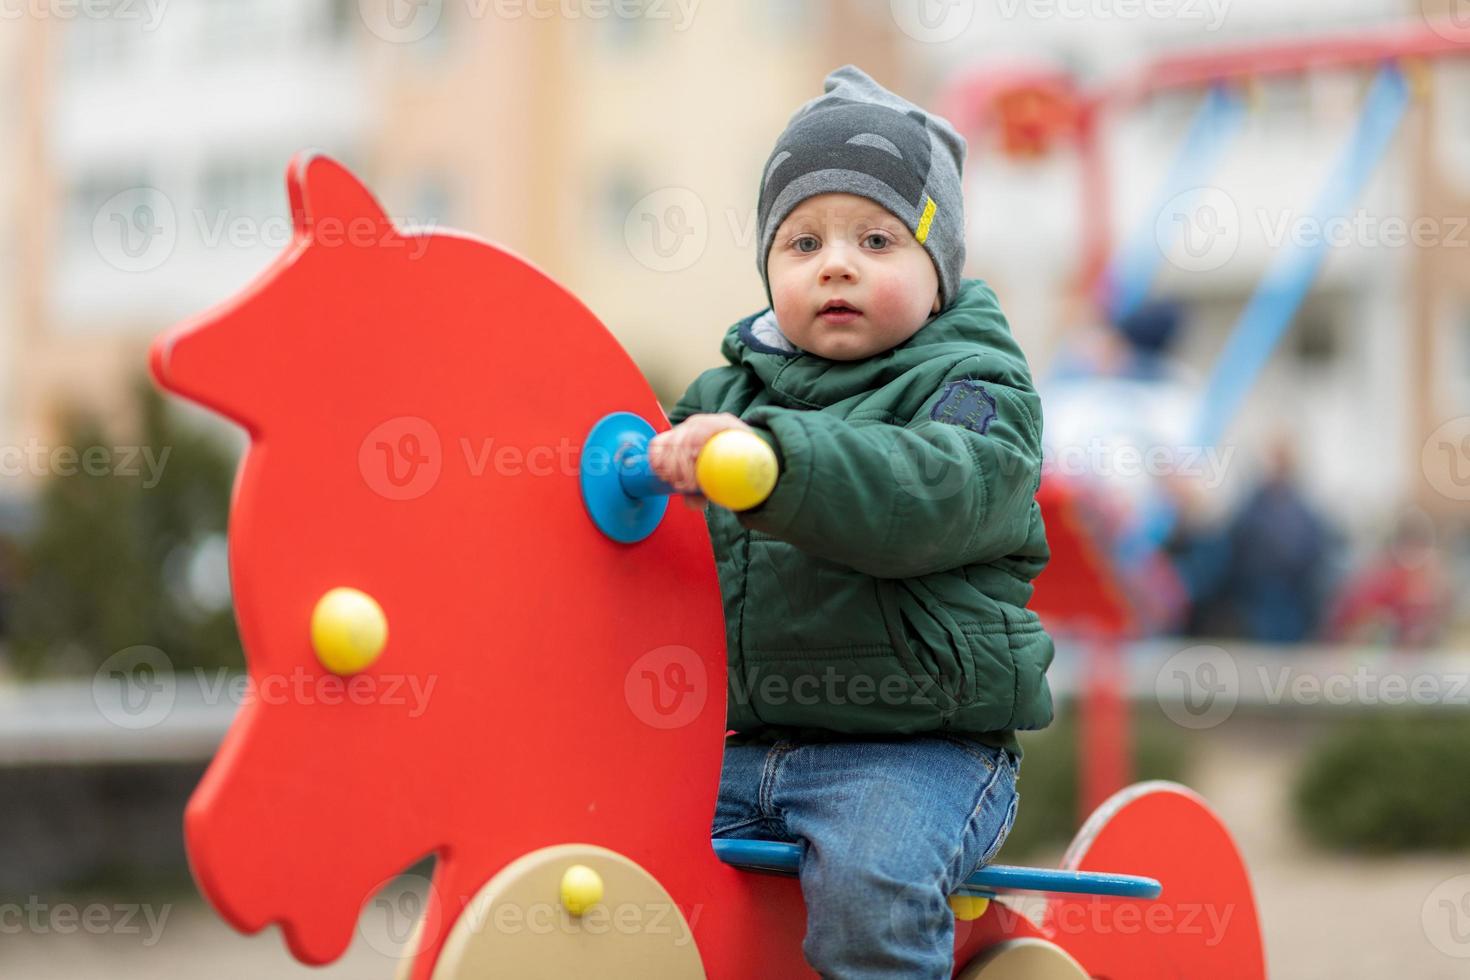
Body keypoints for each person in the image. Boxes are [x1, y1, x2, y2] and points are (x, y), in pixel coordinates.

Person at [647, 65, 1054, 979]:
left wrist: (773, 464)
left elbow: (929, 495)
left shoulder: (974, 392)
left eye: (876, 238)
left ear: (939, 272)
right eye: (802, 243)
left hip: (920, 754)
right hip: (751, 749)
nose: (836, 262)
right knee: (620, 836)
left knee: (871, 894)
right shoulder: (722, 400)